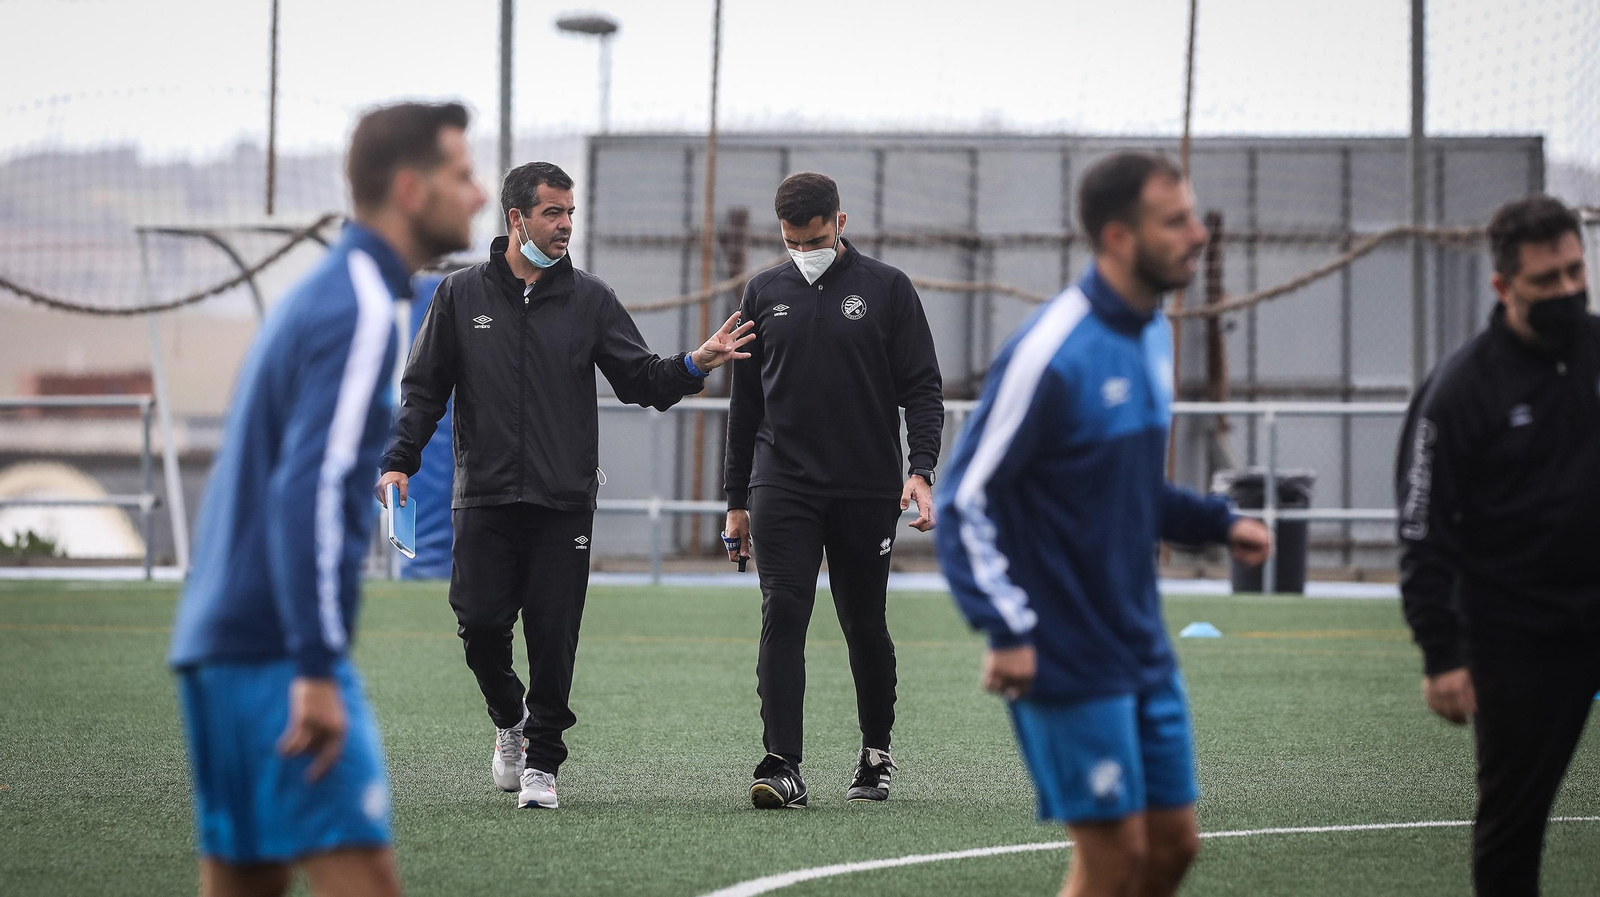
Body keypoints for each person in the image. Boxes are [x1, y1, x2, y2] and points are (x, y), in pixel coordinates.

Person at [167, 101, 487, 897]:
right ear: (411, 190)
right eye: (461, 174)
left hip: (220, 642)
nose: (479, 194)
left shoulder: (329, 292)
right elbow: (306, 493)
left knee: (248, 878)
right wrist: (314, 665)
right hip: (276, 652)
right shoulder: (361, 306)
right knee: (364, 876)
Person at [934, 150, 1271, 897]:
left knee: (1173, 847)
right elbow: (962, 500)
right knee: (1114, 861)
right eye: (1175, 221)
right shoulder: (1053, 351)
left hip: (1140, 639)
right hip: (1065, 646)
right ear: (1119, 237)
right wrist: (1005, 626)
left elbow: (1126, 484)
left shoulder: (1152, 331)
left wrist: (1217, 522)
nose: (1198, 234)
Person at [376, 161, 754, 811]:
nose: (565, 225)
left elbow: (642, 380)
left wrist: (697, 363)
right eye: (553, 212)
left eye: (571, 213)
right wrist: (398, 460)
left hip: (564, 502)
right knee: (479, 625)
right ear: (516, 219)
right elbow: (424, 391)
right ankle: (510, 718)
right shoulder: (460, 296)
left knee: (554, 637)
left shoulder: (590, 300)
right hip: (485, 495)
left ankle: (543, 763)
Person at [1395, 195, 1599, 897]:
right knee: (1514, 824)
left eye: (1576, 272)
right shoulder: (1461, 389)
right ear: (1503, 286)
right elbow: (1422, 528)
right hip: (1517, 637)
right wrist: (1441, 653)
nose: (1568, 291)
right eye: (1547, 280)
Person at [723, 171, 944, 808]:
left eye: (815, 240)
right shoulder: (762, 292)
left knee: (863, 621)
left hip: (865, 486)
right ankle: (781, 765)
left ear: (840, 224)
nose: (804, 251)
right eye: (792, 241)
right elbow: (745, 406)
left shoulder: (888, 288)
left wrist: (921, 469)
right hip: (782, 484)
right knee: (783, 610)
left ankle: (875, 752)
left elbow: (922, 388)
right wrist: (735, 501)